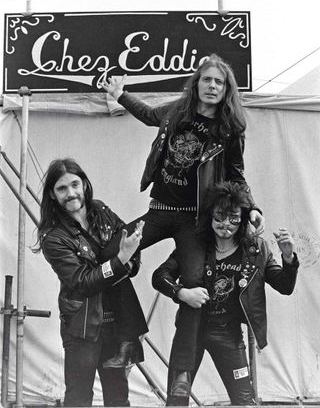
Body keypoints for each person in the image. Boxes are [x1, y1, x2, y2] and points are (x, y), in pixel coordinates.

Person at [101, 53, 265, 376]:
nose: (212, 86)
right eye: (207, 79)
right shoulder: (177, 110)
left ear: (226, 89)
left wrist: (253, 207)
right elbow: (148, 114)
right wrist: (119, 95)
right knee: (110, 255)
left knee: (194, 286)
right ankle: (129, 342)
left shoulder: (229, 129)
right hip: (160, 211)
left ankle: (181, 375)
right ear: (197, 82)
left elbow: (236, 174)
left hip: (194, 220)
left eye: (219, 82)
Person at [152, 181, 299, 406]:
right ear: (210, 216)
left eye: (233, 218)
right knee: (177, 399)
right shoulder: (194, 246)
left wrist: (288, 259)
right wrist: (182, 293)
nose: (226, 225)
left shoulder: (256, 249)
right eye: (219, 217)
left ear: (242, 219)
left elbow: (285, 286)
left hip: (228, 334)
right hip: (191, 331)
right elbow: (160, 276)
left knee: (244, 400)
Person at [33, 158, 148, 407]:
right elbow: (83, 282)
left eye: (75, 184)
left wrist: (129, 260)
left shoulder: (102, 212)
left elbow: (131, 246)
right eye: (62, 188)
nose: (71, 193)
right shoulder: (53, 237)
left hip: (118, 322)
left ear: (84, 184)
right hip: (82, 328)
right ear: (52, 195)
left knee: (118, 398)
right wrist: (121, 261)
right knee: (78, 399)